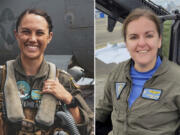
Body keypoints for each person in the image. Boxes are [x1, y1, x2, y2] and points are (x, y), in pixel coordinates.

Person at [0, 8, 93, 135]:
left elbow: (86, 130)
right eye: (26, 32)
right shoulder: (2, 77)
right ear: (17, 35)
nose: (32, 39)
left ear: (49, 37)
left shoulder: (63, 80)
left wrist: (69, 99)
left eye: (39, 33)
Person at [96, 8, 180, 135]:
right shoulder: (117, 73)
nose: (141, 43)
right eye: (134, 37)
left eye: (149, 36)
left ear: (159, 40)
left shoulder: (176, 79)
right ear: (126, 43)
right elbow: (102, 114)